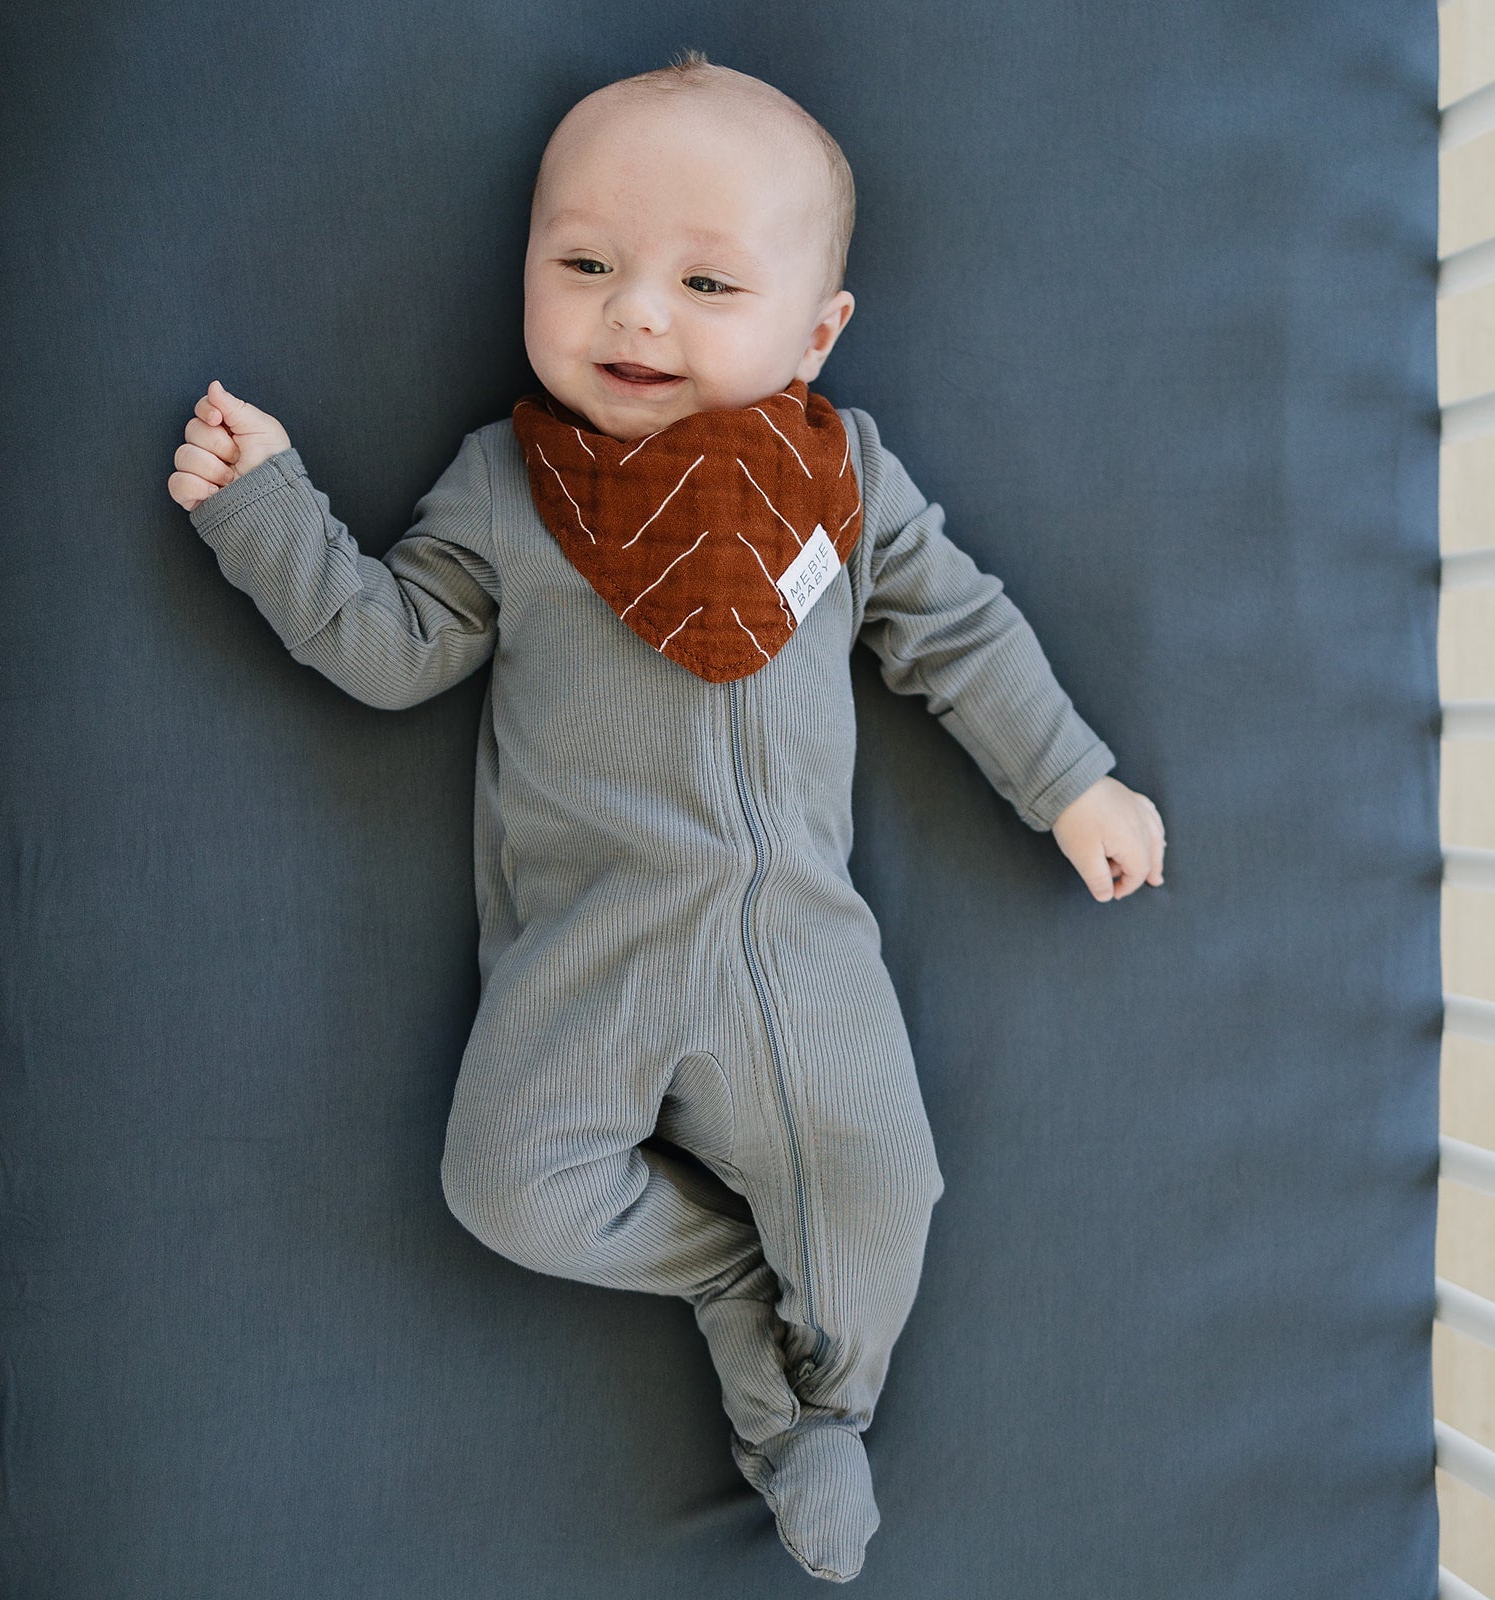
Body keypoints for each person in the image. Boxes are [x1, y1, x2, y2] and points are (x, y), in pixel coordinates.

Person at [167, 50, 1165, 1585]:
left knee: (888, 1185)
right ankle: (723, 1285)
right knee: (499, 1189)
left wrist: (1071, 779)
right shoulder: (511, 485)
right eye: (585, 265)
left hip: (804, 961)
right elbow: (389, 647)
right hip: (596, 955)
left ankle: (813, 1415)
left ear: (816, 333)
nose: (634, 311)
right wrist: (270, 512)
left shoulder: (842, 482)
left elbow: (959, 636)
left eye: (707, 284)